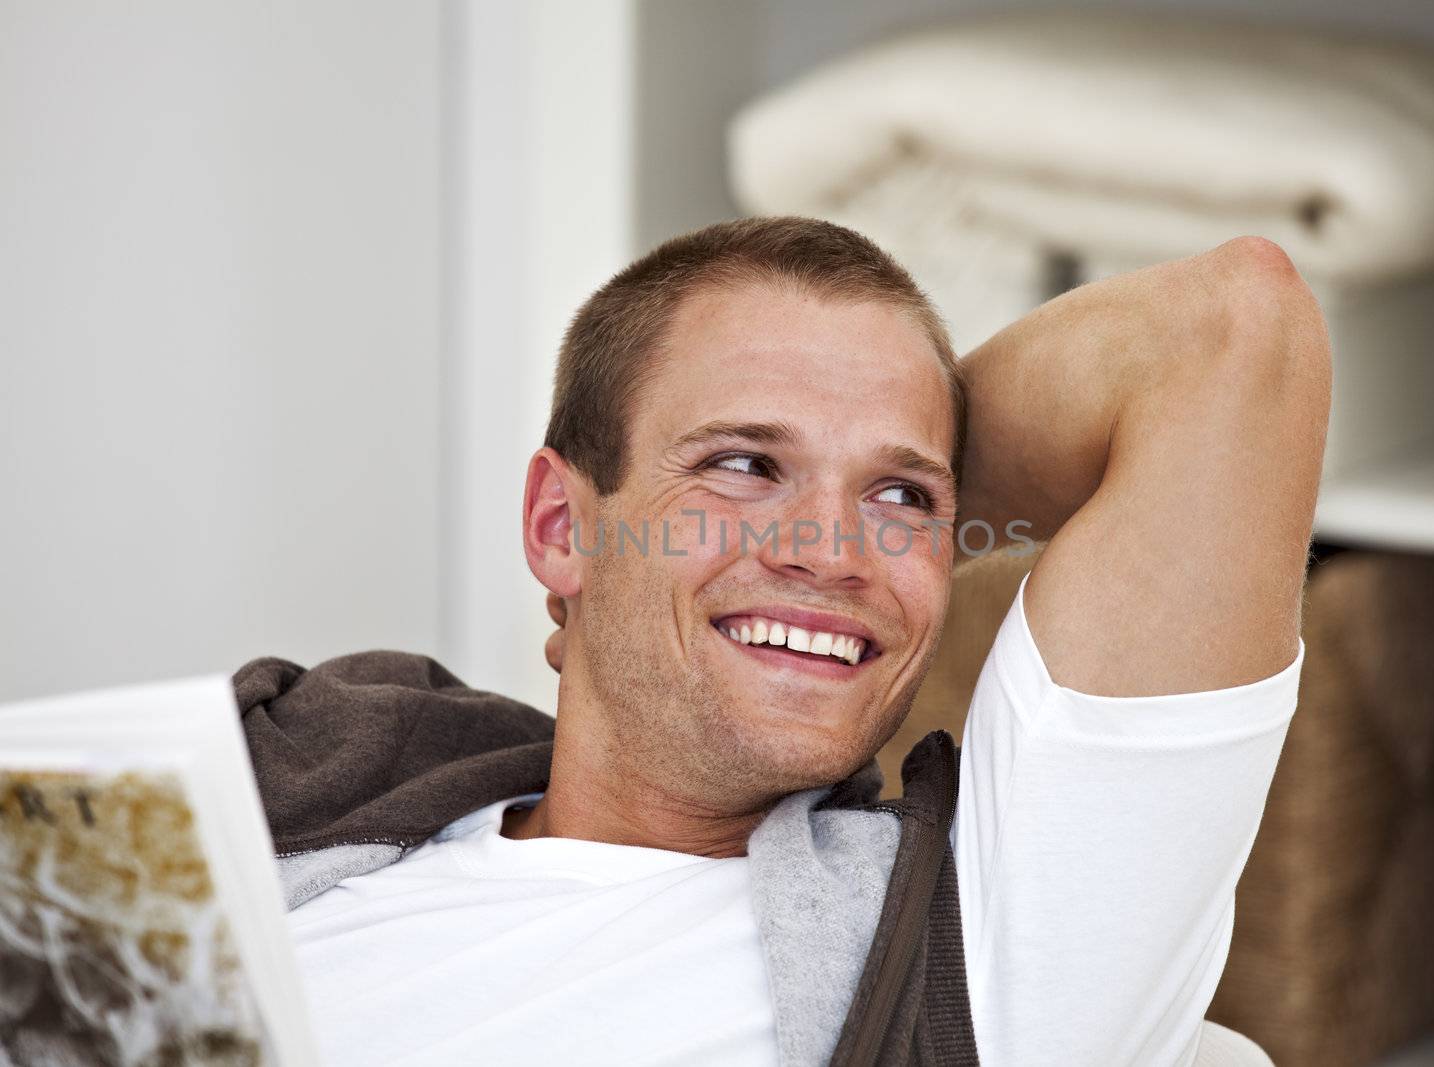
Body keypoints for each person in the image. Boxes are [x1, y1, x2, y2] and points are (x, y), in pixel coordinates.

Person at [283, 217, 1330, 1065]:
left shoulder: (978, 949)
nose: (831, 551)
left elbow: (1229, 329)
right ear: (562, 526)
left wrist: (845, 547)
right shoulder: (306, 761)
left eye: (899, 490)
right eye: (743, 463)